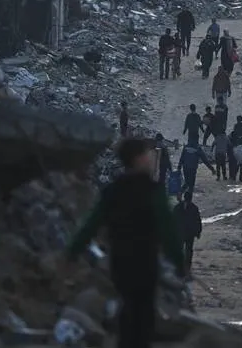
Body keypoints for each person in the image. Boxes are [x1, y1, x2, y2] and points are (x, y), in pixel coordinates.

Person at [66, 138, 186, 348]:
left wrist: (72, 252)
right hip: (145, 260)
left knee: (127, 307)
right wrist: (179, 262)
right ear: (138, 158)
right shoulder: (152, 191)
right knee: (144, 313)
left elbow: (91, 225)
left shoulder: (113, 190)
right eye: (147, 154)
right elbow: (167, 230)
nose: (150, 158)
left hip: (119, 261)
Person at [172, 190, 202, 275]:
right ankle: (187, 266)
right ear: (191, 198)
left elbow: (172, 220)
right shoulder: (194, 208)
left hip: (180, 232)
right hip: (190, 233)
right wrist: (198, 232)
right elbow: (197, 221)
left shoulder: (177, 207)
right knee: (189, 250)